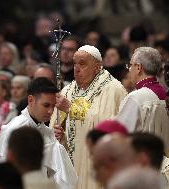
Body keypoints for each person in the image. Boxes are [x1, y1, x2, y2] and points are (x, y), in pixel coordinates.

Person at [52, 45, 127, 189]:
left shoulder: (114, 89)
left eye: (82, 64)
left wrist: (70, 108)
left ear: (97, 67)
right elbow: (56, 125)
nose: (76, 68)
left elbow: (106, 128)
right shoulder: (68, 90)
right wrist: (58, 133)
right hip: (71, 162)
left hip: (95, 163)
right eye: (75, 63)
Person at [0, 78, 77, 189]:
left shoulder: (48, 132)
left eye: (53, 106)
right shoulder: (14, 130)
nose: (50, 111)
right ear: (31, 100)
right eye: (46, 105)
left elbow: (61, 174)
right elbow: (4, 171)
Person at [115, 47, 169, 150]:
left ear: (138, 67)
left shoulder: (136, 98)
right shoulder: (168, 95)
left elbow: (121, 135)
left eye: (130, 65)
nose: (129, 69)